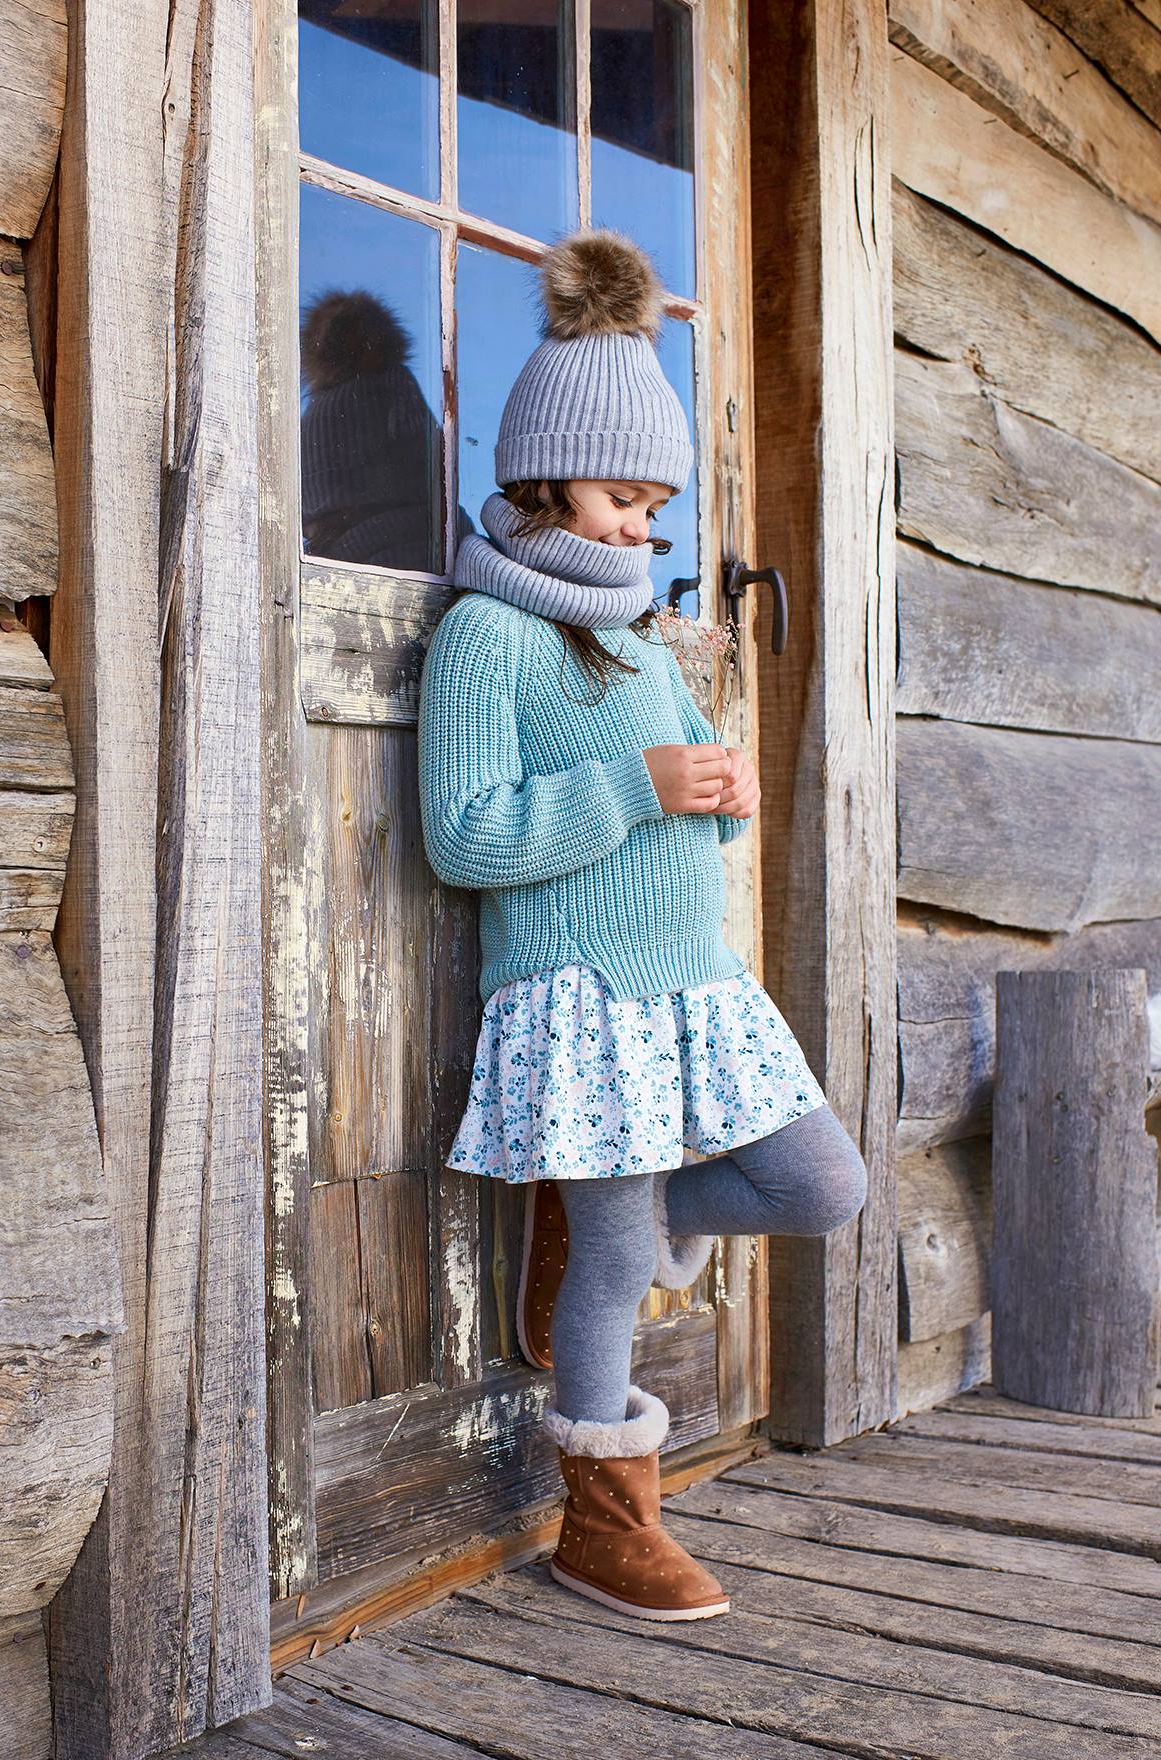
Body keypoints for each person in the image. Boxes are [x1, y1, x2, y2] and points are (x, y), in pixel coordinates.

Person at [416, 228, 867, 1624]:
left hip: (693, 982)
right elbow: (468, 833)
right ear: (544, 475)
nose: (642, 530)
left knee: (822, 1186)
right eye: (623, 497)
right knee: (614, 1262)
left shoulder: (640, 636)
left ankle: (631, 1206)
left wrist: (719, 791)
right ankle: (602, 1527)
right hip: (581, 988)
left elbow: (695, 800)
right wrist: (640, 783)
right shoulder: (488, 637)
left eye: (660, 507)